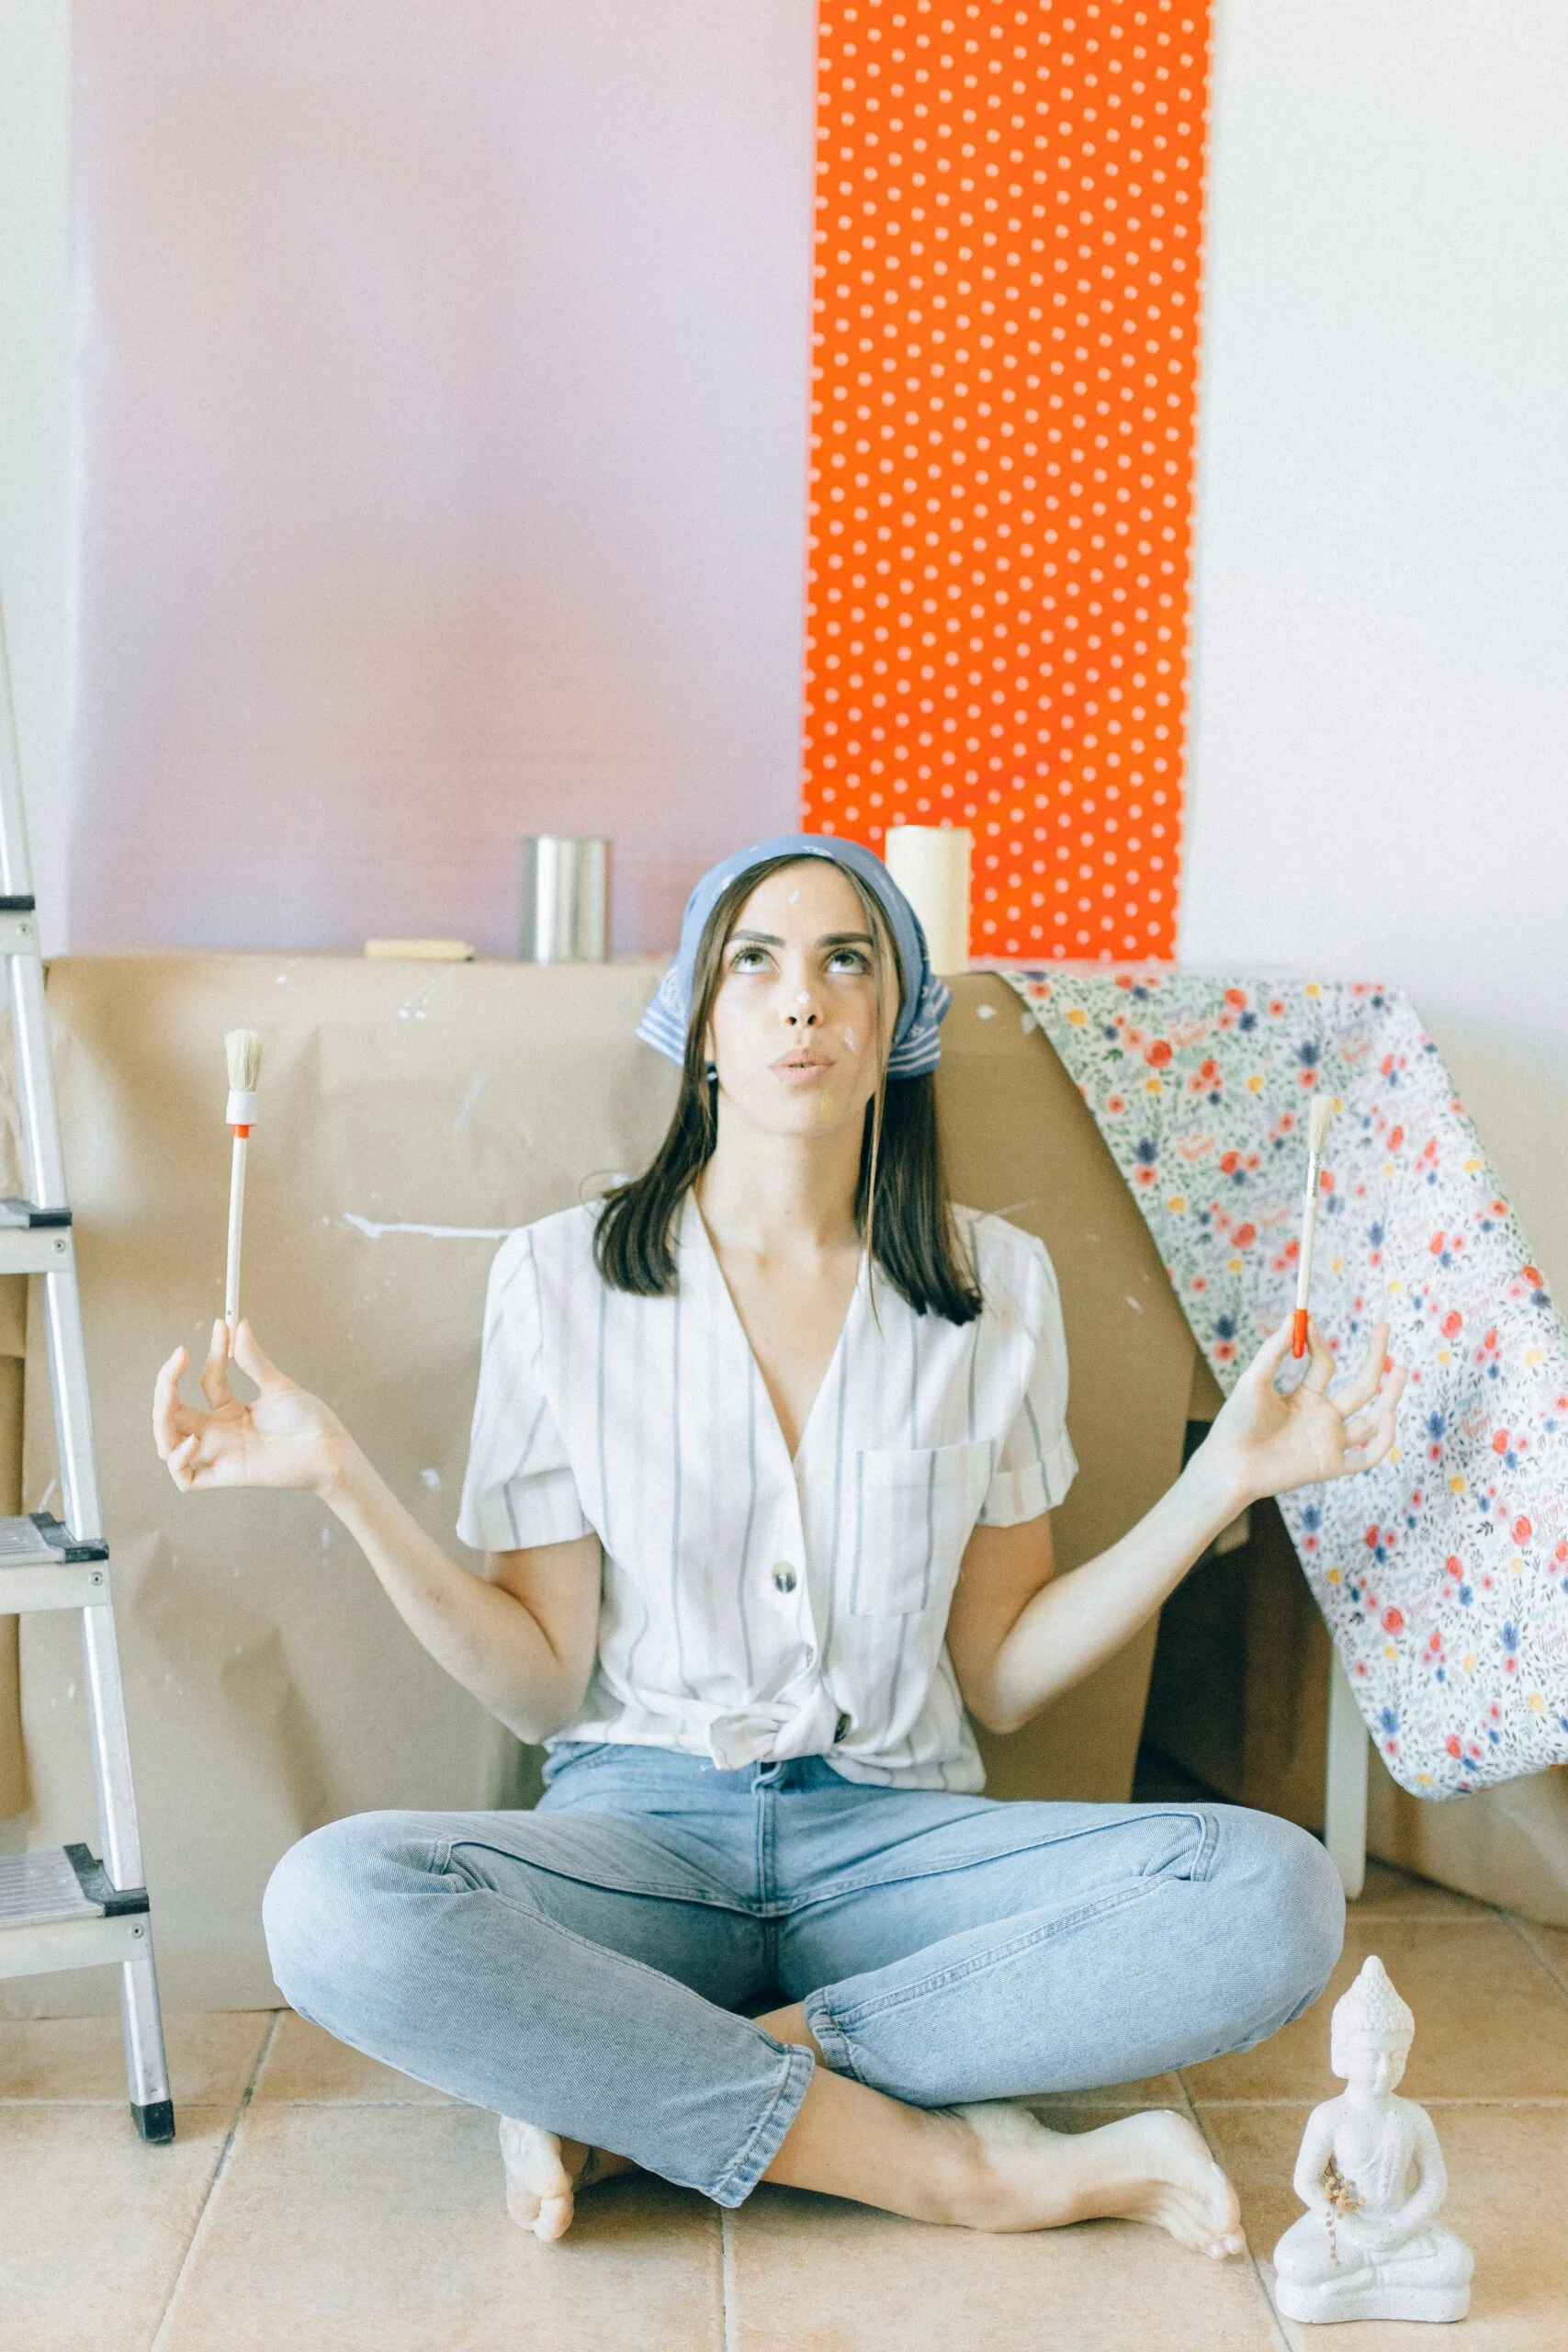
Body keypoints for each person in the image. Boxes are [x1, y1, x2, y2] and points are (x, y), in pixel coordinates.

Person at [152, 834, 1404, 2256]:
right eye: (754, 961)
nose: (798, 998)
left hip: (897, 1842)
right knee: (333, 1906)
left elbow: (1000, 1673)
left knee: (1273, 1895)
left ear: (894, 1027)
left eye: (843, 960)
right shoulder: (560, 1280)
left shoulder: (995, 1287)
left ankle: (633, 2085)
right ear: (700, 1027)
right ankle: (952, 2171)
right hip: (638, 1835)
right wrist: (337, 1478)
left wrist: (1220, 1482)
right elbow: (542, 1685)